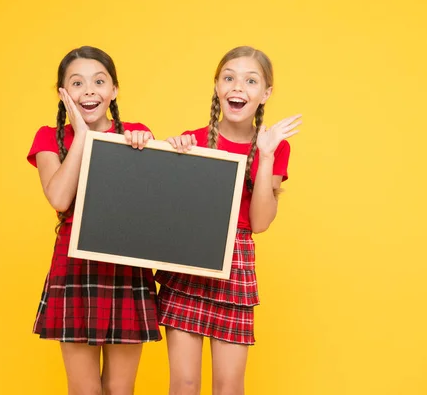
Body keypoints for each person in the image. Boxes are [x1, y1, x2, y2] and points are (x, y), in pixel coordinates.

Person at [155, 45, 302, 395]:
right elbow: (165, 212)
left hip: (236, 262)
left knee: (229, 386)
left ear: (265, 93)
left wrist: (265, 156)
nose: (238, 87)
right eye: (229, 78)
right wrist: (171, 158)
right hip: (188, 261)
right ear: (218, 86)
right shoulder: (192, 140)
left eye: (251, 81)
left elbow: (261, 222)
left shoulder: (275, 147)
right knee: (185, 384)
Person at [26, 46, 159, 395]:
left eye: (99, 81)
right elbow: (59, 198)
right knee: (84, 390)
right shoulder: (49, 138)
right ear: (63, 93)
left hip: (127, 266)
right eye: (77, 82)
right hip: (74, 266)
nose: (89, 90)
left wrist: (148, 149)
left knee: (120, 389)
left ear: (113, 90)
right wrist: (83, 137)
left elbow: (153, 206)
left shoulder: (137, 134)